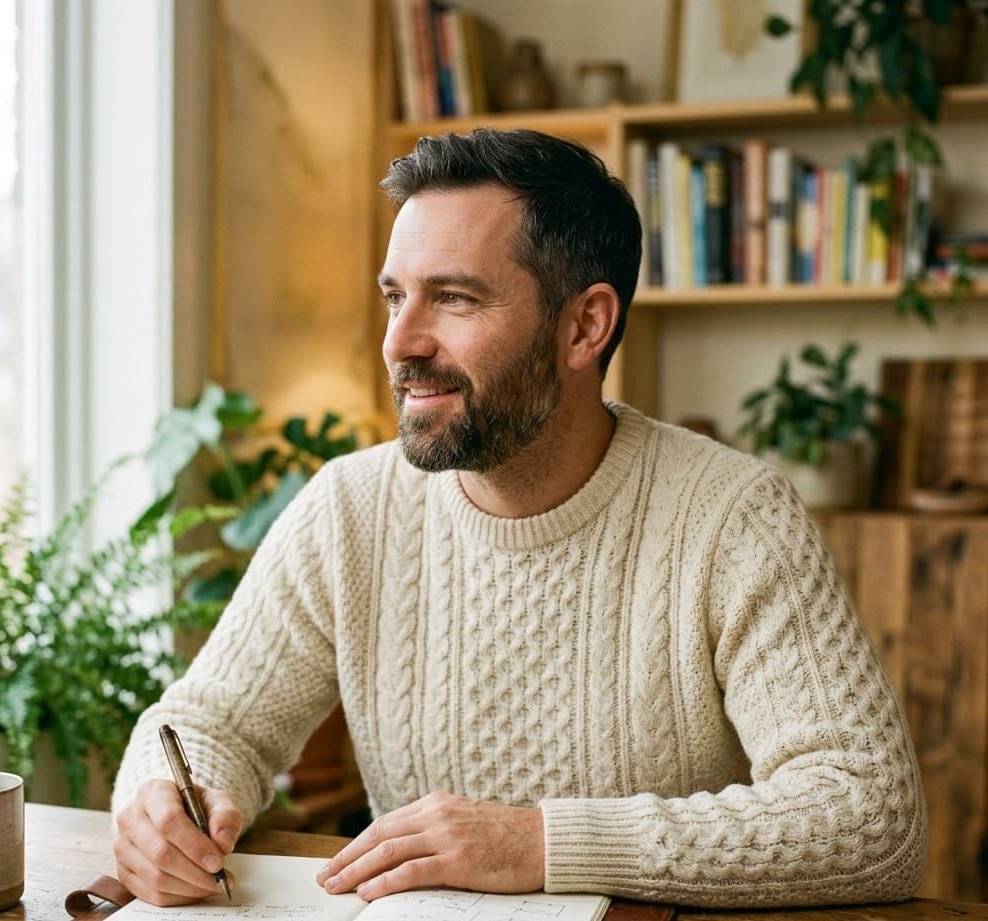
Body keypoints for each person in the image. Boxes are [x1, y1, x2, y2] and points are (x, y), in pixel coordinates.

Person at [111, 128, 926, 908]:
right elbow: (206, 723)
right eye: (395, 296)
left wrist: (539, 844)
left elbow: (870, 814)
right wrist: (162, 805)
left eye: (454, 297)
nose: (400, 341)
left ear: (584, 325)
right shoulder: (348, 509)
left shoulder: (733, 518)